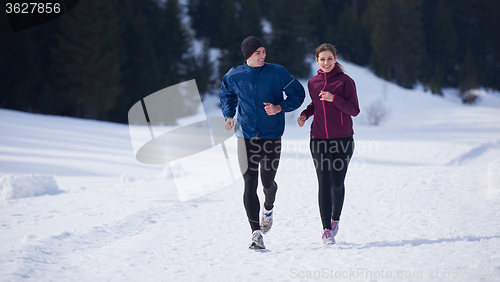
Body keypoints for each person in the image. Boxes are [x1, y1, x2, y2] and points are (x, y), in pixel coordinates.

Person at [220, 36, 305, 250]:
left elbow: (298, 94)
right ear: (248, 54)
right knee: (250, 183)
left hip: (272, 135)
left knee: (267, 183)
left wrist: (279, 107)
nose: (262, 56)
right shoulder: (235, 75)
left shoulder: (277, 72)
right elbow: (227, 94)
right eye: (257, 52)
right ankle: (256, 234)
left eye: (263, 51)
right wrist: (229, 116)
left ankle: (268, 207)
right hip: (245, 135)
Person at [297, 43, 360, 245]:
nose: (326, 62)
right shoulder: (313, 83)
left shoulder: (346, 82)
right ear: (317, 61)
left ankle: (335, 219)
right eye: (322, 59)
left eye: (329, 58)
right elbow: (315, 104)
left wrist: (334, 99)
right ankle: (325, 230)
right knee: (323, 182)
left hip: (342, 140)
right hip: (318, 139)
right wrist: (305, 114)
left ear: (335, 59)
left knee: (336, 182)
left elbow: (354, 110)